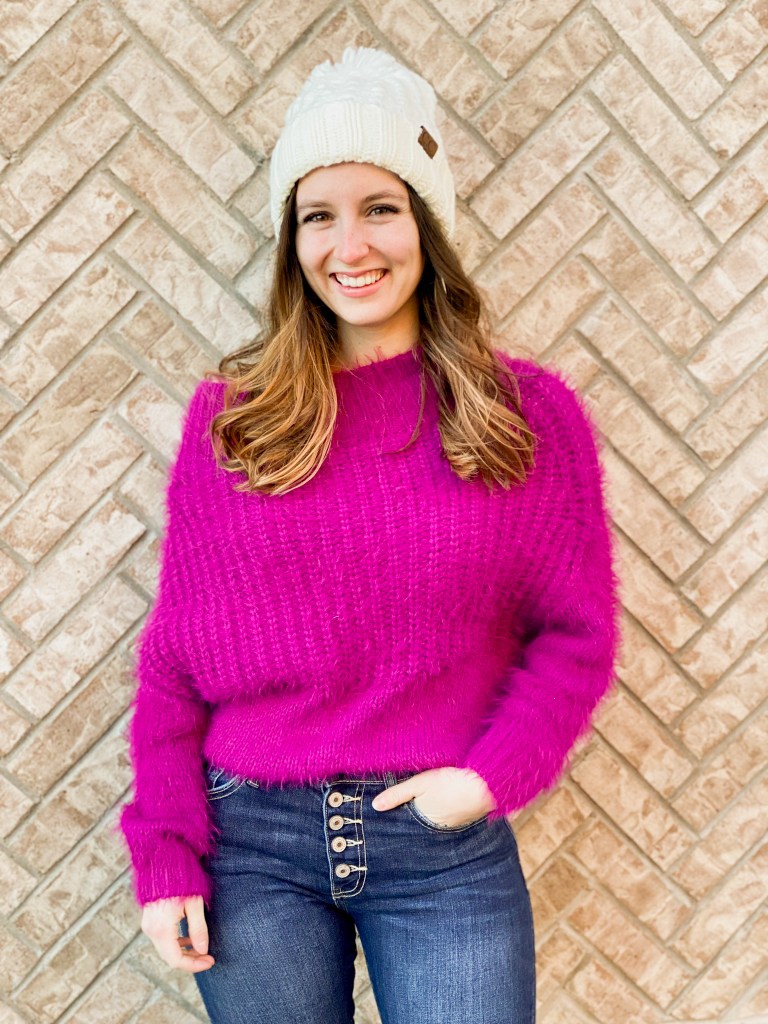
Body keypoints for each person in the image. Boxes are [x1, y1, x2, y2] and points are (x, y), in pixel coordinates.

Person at [118, 46, 622, 1024]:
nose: (349, 244)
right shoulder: (235, 422)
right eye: (318, 214)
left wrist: (487, 779)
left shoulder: (528, 418)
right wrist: (166, 847)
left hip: (438, 848)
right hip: (250, 842)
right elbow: (174, 664)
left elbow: (576, 636)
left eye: (380, 207)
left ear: (427, 224)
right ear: (290, 241)